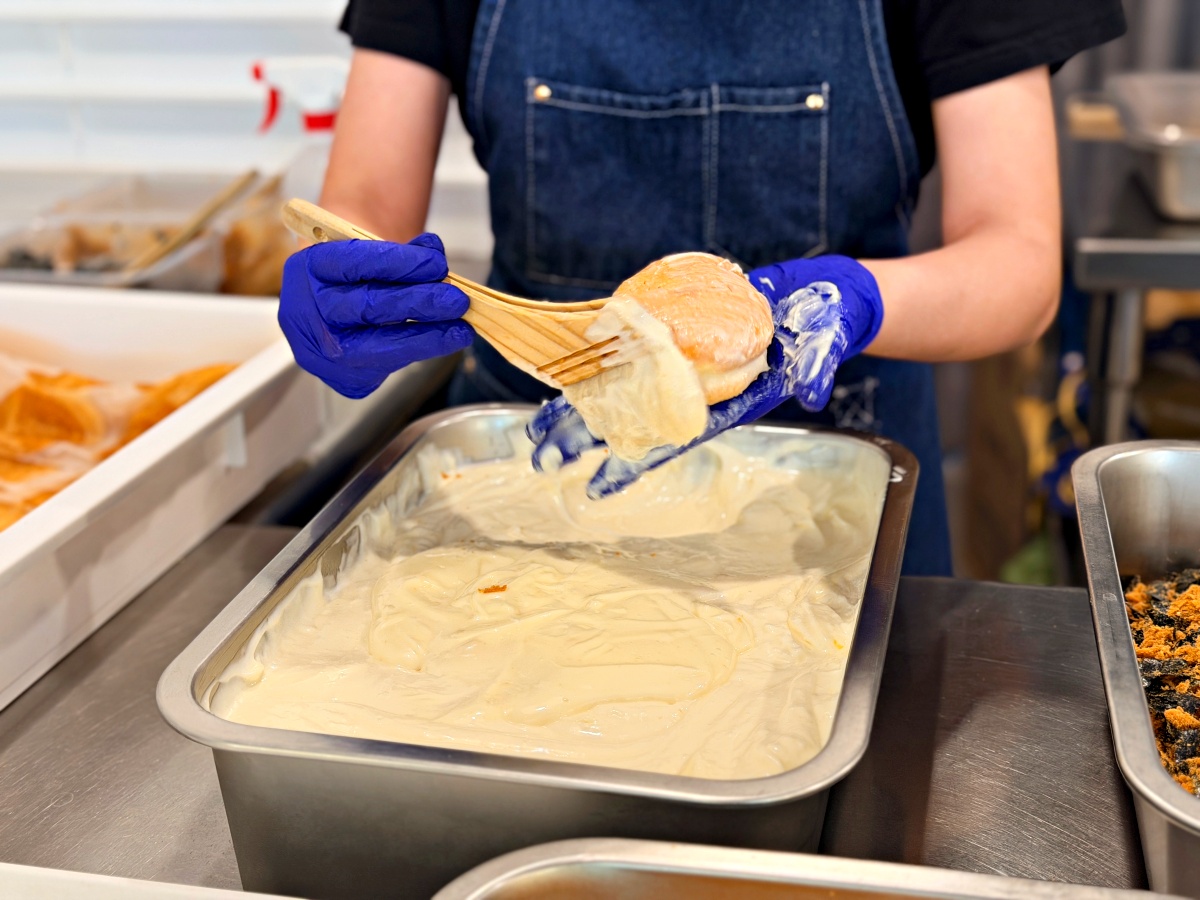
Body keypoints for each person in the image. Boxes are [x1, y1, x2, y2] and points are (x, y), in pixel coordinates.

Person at [279, 0, 1125, 576]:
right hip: (532, 465)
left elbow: (1016, 258)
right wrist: (347, 282)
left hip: (837, 484)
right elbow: (368, 210)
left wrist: (852, 298)